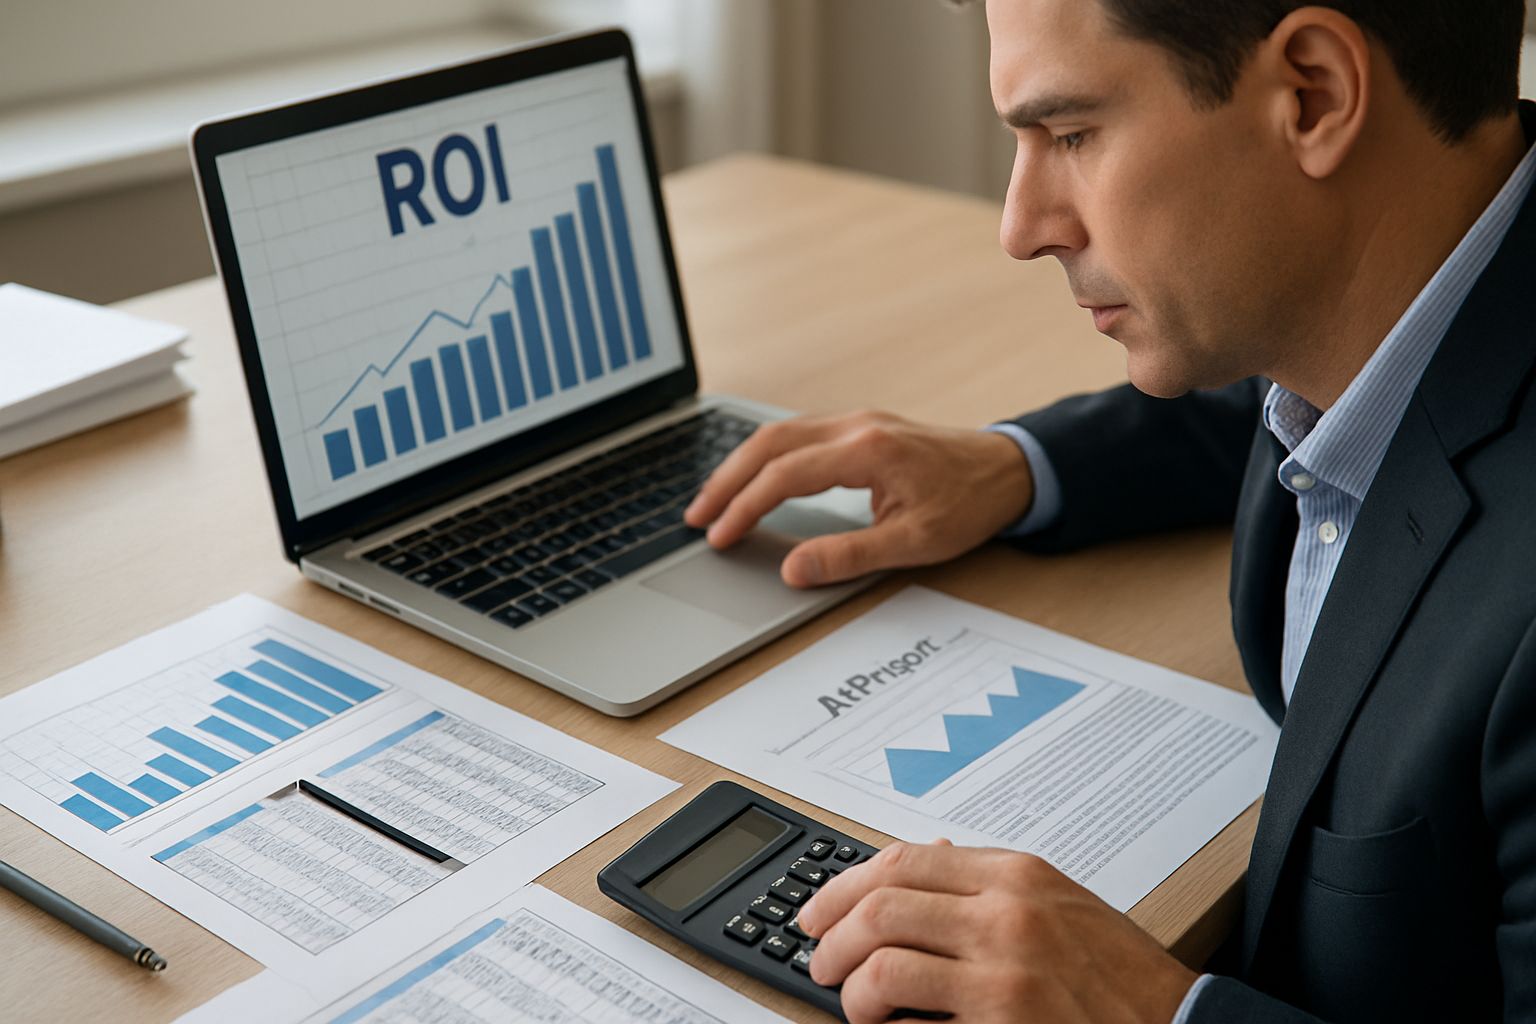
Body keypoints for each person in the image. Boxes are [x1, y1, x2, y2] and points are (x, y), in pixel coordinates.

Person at [682, 1, 1536, 1021]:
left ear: (1314, 94)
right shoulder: (1411, 272)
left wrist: (1156, 1013)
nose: (1020, 226)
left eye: (1073, 135)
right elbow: (1267, 390)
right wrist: (1017, 465)